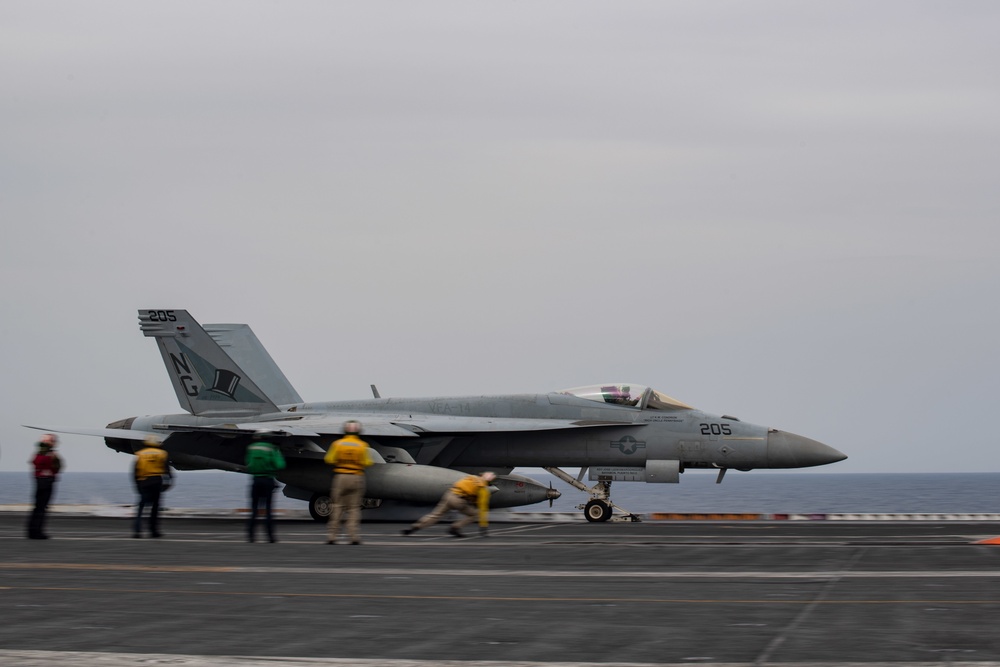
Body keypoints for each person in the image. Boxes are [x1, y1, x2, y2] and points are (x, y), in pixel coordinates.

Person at [402, 471, 496, 538]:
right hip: (459, 501)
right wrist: (483, 526)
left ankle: (415, 527)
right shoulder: (483, 489)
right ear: (489, 482)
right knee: (475, 514)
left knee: (435, 515)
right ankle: (455, 527)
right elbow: (483, 508)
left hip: (449, 495)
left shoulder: (471, 477)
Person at [323, 420, 372, 545]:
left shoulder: (338, 444)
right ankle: (354, 536)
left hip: (341, 477)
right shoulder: (362, 445)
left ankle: (332, 536)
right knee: (354, 508)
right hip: (356, 477)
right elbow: (368, 463)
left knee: (337, 506)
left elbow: (329, 459)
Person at [245, 431, 286, 543]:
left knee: (254, 510)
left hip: (255, 480)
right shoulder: (272, 448)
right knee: (268, 510)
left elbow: (247, 463)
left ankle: (251, 536)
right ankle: (270, 537)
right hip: (268, 481)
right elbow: (280, 465)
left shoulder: (251, 448)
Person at [133, 435, 171, 538]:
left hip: (144, 482)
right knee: (155, 508)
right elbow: (167, 470)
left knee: (141, 507)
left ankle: (137, 530)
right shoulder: (162, 454)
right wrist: (168, 482)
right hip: (156, 481)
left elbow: (136, 471)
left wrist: (137, 485)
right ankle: (154, 531)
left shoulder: (140, 454)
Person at [27, 433, 63, 540]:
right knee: (41, 508)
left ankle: (34, 530)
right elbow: (57, 468)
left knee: (38, 507)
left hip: (41, 481)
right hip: (46, 482)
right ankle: (36, 532)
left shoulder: (40, 454)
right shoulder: (48, 454)